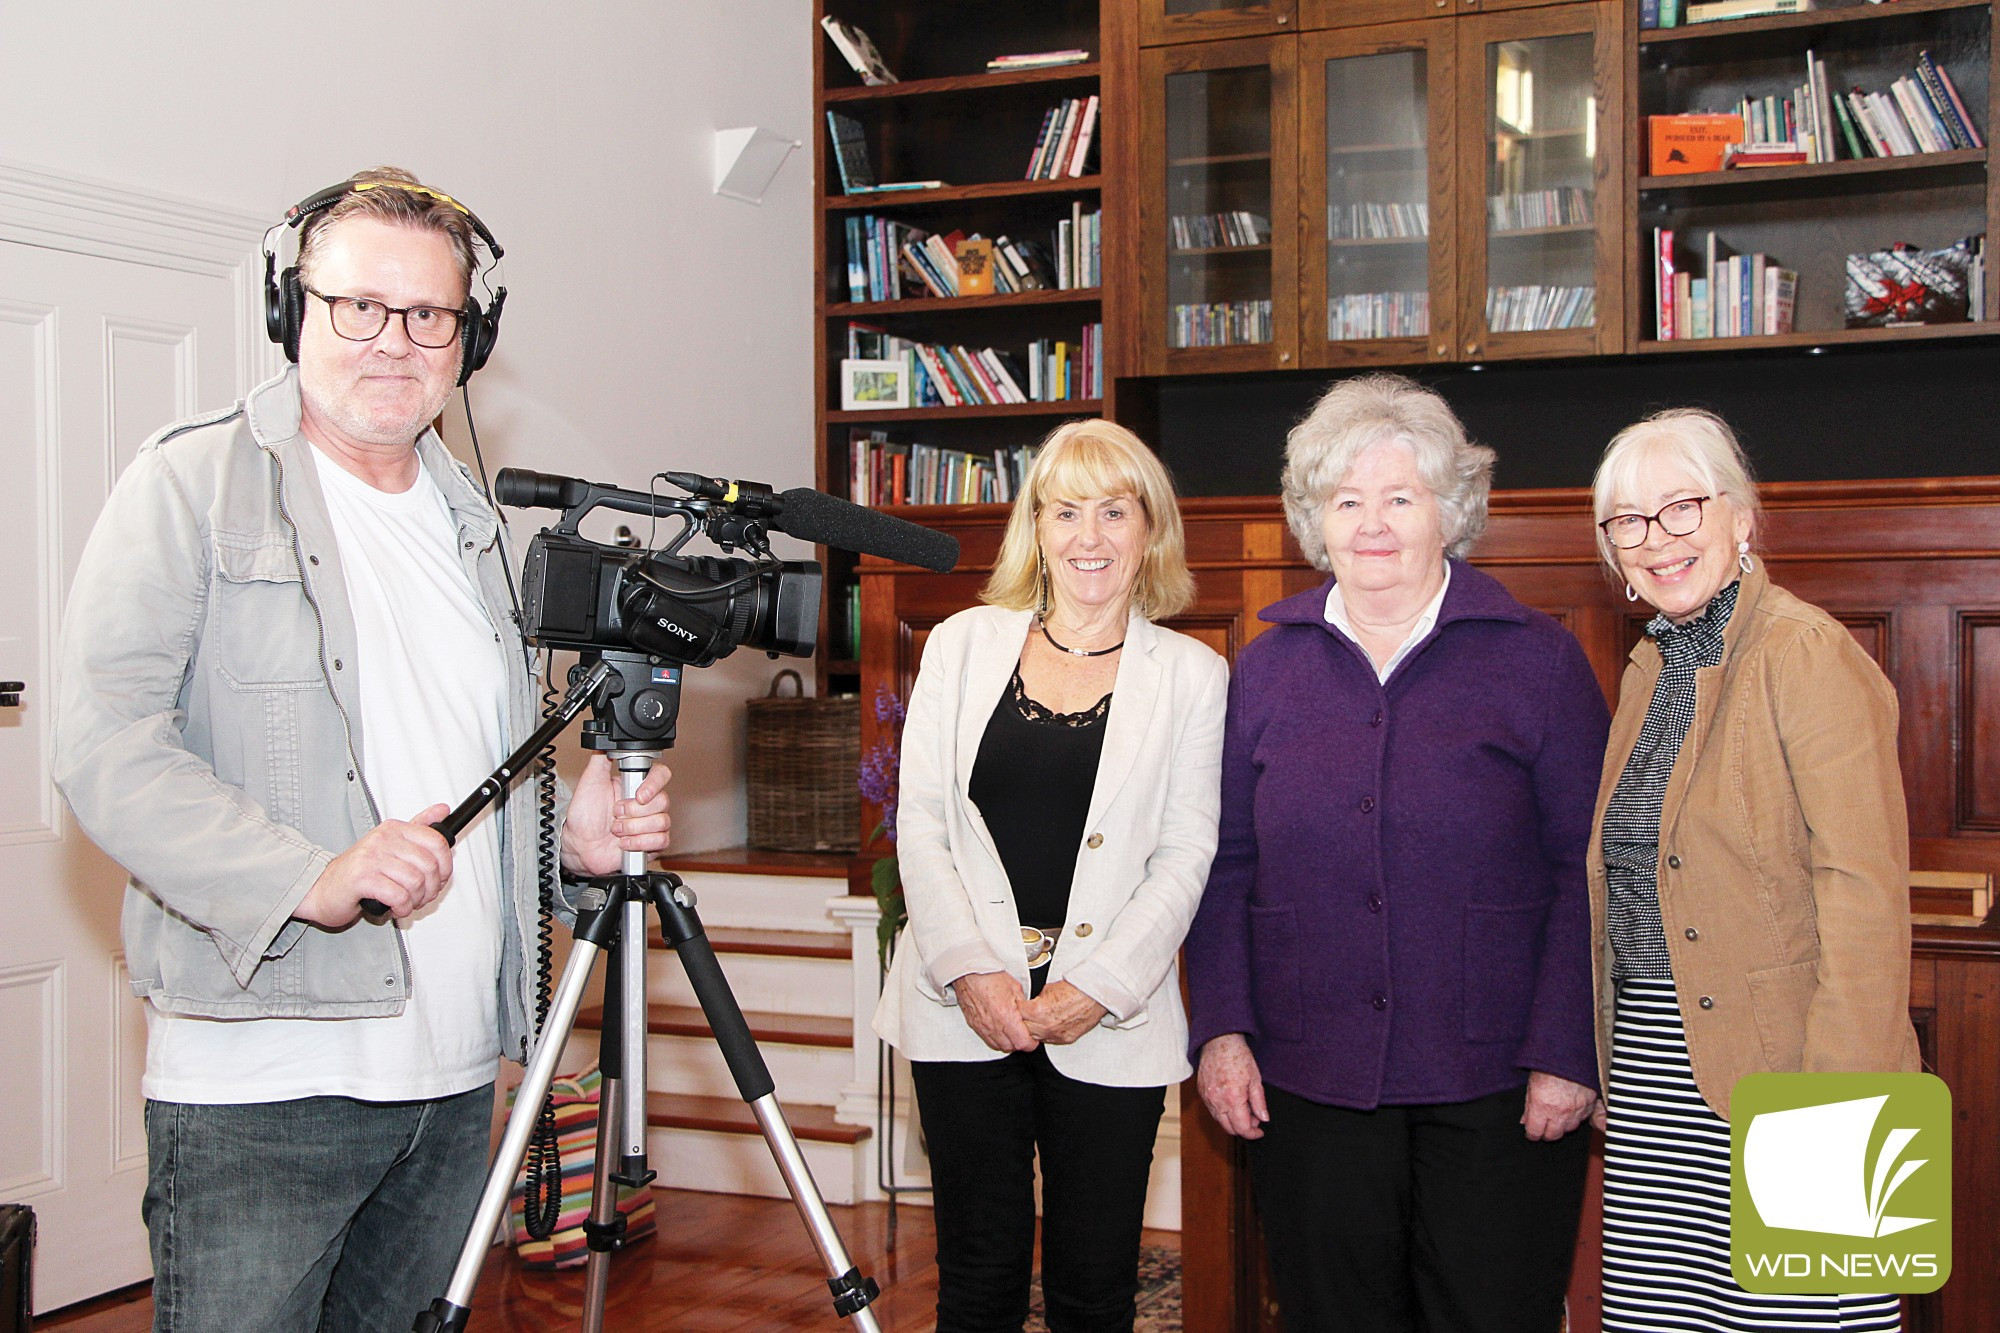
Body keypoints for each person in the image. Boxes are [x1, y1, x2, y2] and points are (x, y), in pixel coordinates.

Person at [52, 167, 671, 1332]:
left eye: (429, 314)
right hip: (264, 1083)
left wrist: (566, 845)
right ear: (293, 312)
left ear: (467, 339)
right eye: (357, 306)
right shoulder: (190, 483)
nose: (394, 340)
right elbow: (103, 745)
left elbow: (465, 769)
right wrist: (306, 873)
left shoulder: (470, 524)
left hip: (451, 1076)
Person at [1185, 373, 1609, 1333]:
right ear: (1314, 519)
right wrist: (1222, 1031)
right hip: (1306, 1079)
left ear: (1448, 512)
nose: (1372, 524)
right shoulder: (1265, 667)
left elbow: (1585, 867)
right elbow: (1226, 866)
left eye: (1400, 497)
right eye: (1347, 500)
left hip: (1501, 1082)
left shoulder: (1537, 659)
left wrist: (1565, 1048)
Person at [872, 419, 1227, 1333]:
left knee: (1094, 1287)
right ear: (1036, 526)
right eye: (1066, 512)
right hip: (963, 1008)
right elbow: (922, 823)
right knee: (977, 1278)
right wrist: (970, 969)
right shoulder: (958, 643)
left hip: (1110, 1013)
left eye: (1115, 511)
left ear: (1151, 529)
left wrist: (1097, 987)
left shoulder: (1194, 674)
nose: (1090, 537)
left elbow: (1186, 852)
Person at [1588, 408, 1916, 1331]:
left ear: (1740, 516)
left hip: (1795, 1072)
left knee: (1808, 1318)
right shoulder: (1649, 669)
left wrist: (1833, 1111)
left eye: (1682, 507)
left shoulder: (1805, 652)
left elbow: (1864, 899)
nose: (1658, 539)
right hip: (1660, 1078)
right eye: (1629, 522)